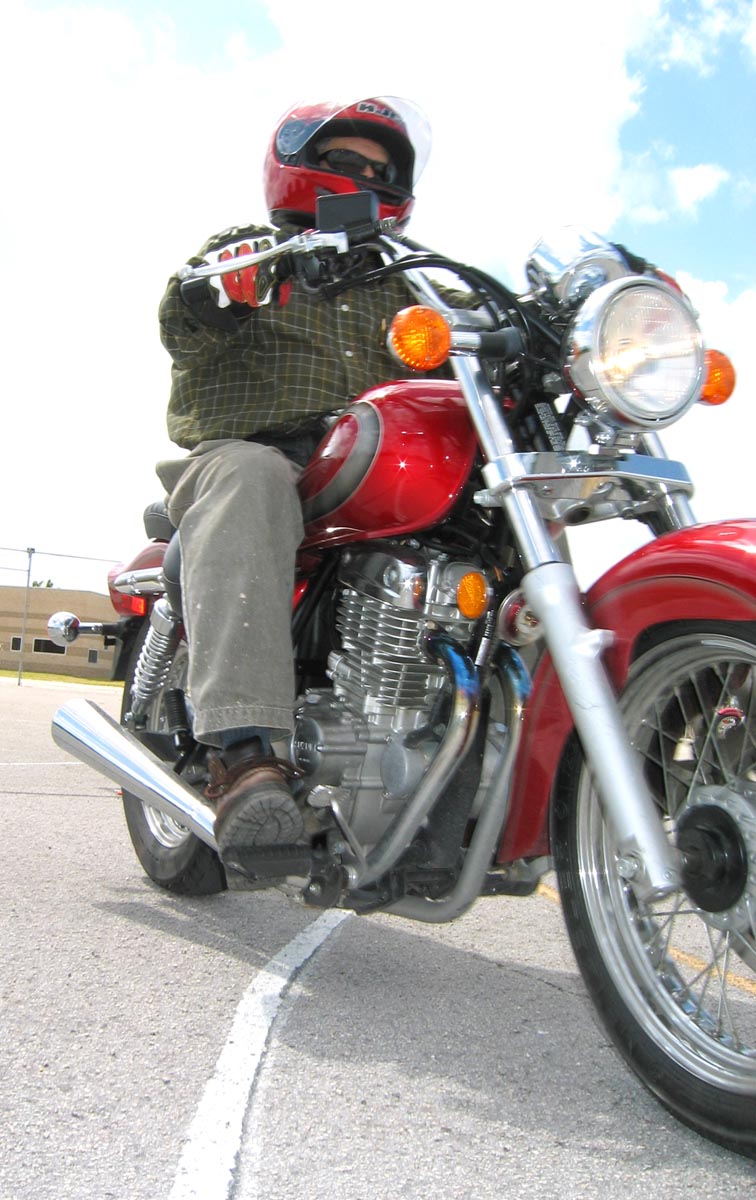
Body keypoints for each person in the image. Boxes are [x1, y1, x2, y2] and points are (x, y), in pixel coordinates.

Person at [157, 97, 447, 863]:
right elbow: (186, 314)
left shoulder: (415, 290)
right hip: (259, 454)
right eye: (346, 162)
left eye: (382, 171)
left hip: (369, 472)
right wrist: (242, 279)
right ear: (298, 167)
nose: (366, 179)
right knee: (253, 474)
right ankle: (244, 753)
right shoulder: (257, 249)